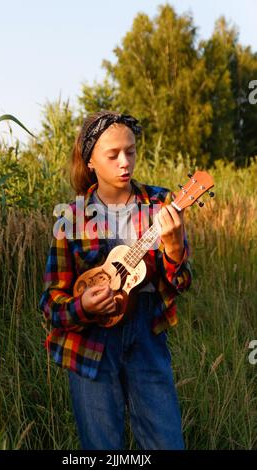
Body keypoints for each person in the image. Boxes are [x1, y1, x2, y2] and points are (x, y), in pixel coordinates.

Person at [39, 110, 192, 450]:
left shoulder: (159, 204)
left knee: (166, 442)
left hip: (147, 337)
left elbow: (182, 282)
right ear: (90, 160)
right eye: (113, 154)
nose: (125, 162)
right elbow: (51, 304)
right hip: (90, 343)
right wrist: (82, 306)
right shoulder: (72, 217)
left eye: (131, 151)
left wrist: (175, 247)